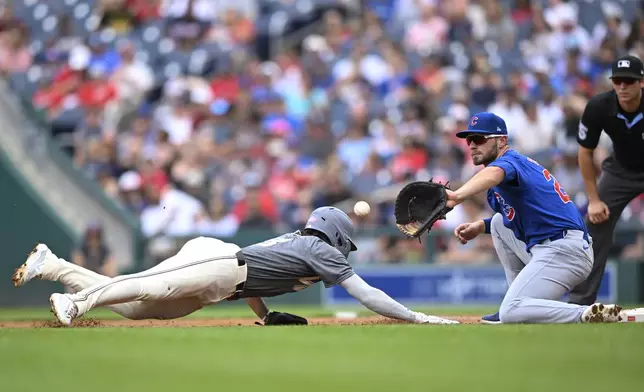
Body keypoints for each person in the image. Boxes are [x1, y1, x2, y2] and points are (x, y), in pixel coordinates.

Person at [12, 206, 458, 326]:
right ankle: (75, 304)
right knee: (148, 286)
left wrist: (263, 316)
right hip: (222, 262)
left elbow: (251, 279)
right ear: (336, 233)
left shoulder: (306, 244)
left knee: (135, 305)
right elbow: (366, 295)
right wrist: (416, 315)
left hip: (226, 281)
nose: (346, 249)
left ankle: (54, 266)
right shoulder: (321, 249)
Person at [444, 112, 624, 324]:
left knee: (511, 311)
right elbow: (515, 217)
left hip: (565, 249)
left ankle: (584, 313)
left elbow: (494, 173)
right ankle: (516, 302)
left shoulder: (511, 161)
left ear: (502, 140)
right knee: (497, 223)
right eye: (470, 140)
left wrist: (457, 195)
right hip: (550, 247)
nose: (473, 145)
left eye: (480, 139)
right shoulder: (500, 183)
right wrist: (479, 227)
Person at [568, 55, 644, 305]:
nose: (622, 86)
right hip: (621, 170)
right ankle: (580, 303)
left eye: (629, 81)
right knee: (595, 224)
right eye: (618, 81)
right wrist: (593, 199)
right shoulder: (600, 106)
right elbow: (585, 152)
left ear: (641, 82)